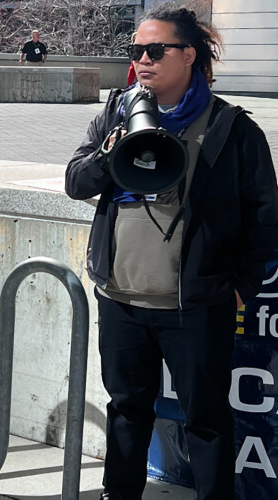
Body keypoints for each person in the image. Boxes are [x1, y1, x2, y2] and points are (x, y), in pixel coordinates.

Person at [65, 6, 278, 500]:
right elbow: (76, 181)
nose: (142, 60)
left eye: (155, 50)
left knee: (206, 419)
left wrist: (241, 287)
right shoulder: (116, 112)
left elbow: (264, 217)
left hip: (195, 306)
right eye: (136, 51)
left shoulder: (232, 129)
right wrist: (108, 154)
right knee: (126, 411)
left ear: (188, 55)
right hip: (121, 300)